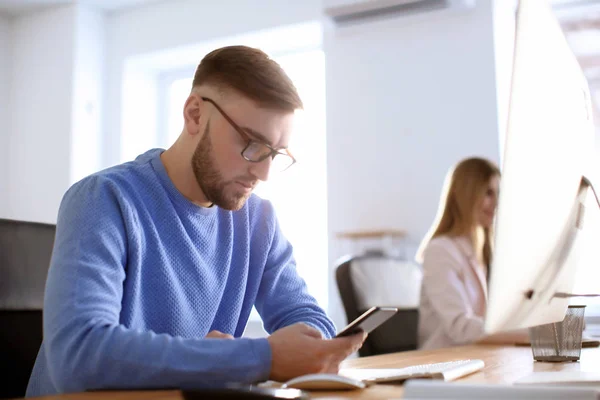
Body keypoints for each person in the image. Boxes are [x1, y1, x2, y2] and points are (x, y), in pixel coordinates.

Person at [26, 45, 366, 397]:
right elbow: (78, 357)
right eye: (252, 144)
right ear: (194, 114)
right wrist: (250, 357)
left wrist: (309, 346)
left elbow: (307, 317)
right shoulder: (103, 199)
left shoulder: (257, 220)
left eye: (276, 154)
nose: (263, 172)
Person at [416, 157, 525, 350]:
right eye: (488, 193)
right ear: (466, 195)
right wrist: (528, 334)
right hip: (444, 359)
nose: (496, 202)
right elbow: (459, 327)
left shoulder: (480, 251)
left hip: (476, 355)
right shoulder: (440, 250)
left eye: (498, 193)